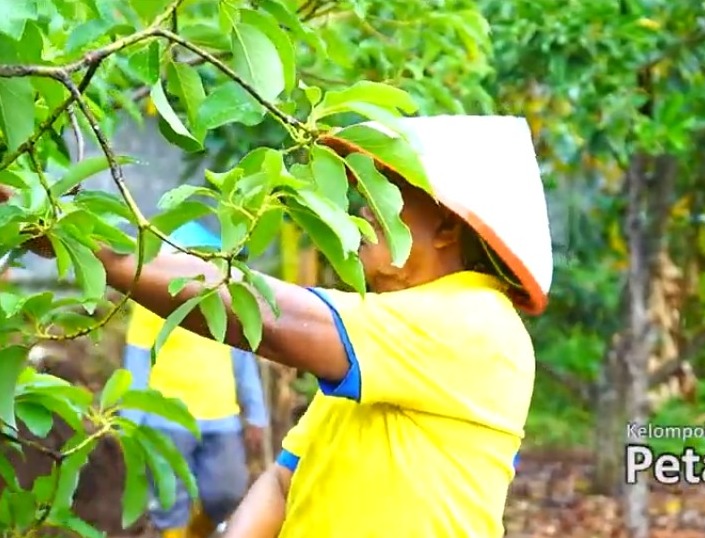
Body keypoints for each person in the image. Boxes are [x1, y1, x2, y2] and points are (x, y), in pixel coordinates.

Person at [7, 114, 553, 537]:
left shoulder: (476, 323)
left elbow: (267, 316)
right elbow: (285, 478)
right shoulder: (385, 345)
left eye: (385, 196)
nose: (361, 213)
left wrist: (87, 246)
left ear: (445, 227)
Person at [119, 221, 269, 538]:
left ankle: (198, 532)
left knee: (227, 492)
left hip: (221, 416)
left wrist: (256, 413)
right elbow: (137, 364)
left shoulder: (227, 304)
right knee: (169, 501)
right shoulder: (151, 305)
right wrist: (129, 422)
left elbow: (243, 362)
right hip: (165, 419)